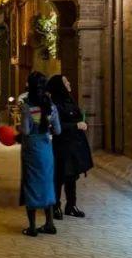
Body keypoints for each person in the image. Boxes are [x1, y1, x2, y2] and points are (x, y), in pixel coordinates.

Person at [18, 71, 60, 237]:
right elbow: (58, 130)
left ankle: (32, 227)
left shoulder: (28, 107)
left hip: (32, 149)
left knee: (31, 184)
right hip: (47, 149)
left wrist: (18, 128)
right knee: (47, 183)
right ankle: (49, 223)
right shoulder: (52, 107)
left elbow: (26, 131)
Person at [46, 74, 93, 219]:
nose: (69, 83)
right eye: (65, 82)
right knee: (59, 177)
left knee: (72, 176)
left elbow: (76, 117)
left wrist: (83, 123)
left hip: (74, 145)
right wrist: (75, 125)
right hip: (61, 146)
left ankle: (71, 205)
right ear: (60, 86)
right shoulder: (55, 104)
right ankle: (55, 206)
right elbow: (56, 126)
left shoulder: (69, 100)